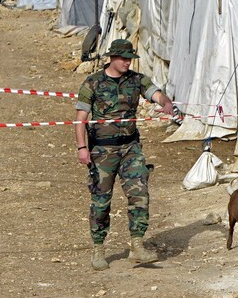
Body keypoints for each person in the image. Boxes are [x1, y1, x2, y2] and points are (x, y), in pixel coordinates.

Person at [75, 38, 175, 271]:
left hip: (131, 147)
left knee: (139, 193)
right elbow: (80, 120)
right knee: (101, 201)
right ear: (112, 58)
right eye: (123, 59)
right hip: (102, 149)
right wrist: (82, 148)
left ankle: (137, 245)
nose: (127, 63)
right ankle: (99, 247)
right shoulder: (93, 83)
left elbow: (156, 93)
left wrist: (166, 102)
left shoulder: (136, 80)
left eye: (130, 59)